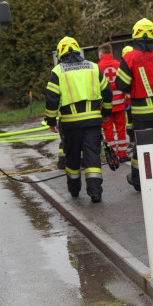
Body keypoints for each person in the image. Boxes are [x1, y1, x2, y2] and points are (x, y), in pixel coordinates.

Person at [45, 37, 113, 203]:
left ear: (60, 53)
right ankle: (95, 192)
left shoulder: (58, 71)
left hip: (70, 123)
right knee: (92, 156)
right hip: (93, 121)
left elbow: (51, 99)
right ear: (78, 50)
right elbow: (107, 91)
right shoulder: (93, 67)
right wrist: (107, 112)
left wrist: (51, 121)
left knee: (72, 157)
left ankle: (74, 190)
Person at [116, 18, 153, 197]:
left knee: (142, 149)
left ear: (135, 35)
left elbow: (122, 84)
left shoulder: (130, 57)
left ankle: (139, 181)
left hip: (142, 112)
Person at [97, 43, 129, 162]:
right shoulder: (119, 65)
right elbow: (126, 84)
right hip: (120, 104)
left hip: (105, 106)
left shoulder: (97, 67)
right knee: (121, 129)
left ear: (101, 54)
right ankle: (123, 154)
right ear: (110, 52)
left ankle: (112, 155)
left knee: (108, 130)